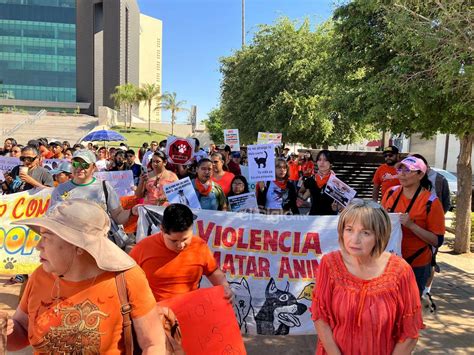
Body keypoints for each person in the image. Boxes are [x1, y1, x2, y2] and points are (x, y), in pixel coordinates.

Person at [6, 199, 165, 353]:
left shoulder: (126, 278)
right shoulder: (40, 276)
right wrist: (4, 330)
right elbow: (21, 328)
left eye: (46, 237)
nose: (38, 246)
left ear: (78, 246)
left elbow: (153, 344)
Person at [311, 199, 423, 355]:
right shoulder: (329, 264)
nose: (354, 239)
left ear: (380, 235)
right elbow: (320, 317)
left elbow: (410, 332)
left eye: (365, 232)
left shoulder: (401, 271)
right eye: (349, 229)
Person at [130, 203, 233, 302]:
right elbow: (127, 280)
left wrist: (225, 287)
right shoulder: (142, 249)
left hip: (192, 311)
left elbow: (213, 271)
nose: (180, 245)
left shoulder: (199, 246)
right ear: (162, 229)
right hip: (157, 314)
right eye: (173, 241)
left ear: (192, 228)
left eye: (185, 239)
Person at [381, 156, 445, 296]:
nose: (402, 174)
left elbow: (437, 241)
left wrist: (412, 225)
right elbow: (378, 221)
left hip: (416, 264)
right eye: (400, 169)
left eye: (408, 170)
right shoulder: (390, 192)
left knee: (410, 310)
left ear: (420, 175)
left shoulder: (431, 202)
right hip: (389, 261)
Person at [50, 150, 132, 225]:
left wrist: (132, 211)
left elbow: (118, 216)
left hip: (98, 239)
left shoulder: (105, 187)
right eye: (76, 164)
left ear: (93, 167)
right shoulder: (60, 190)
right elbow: (52, 219)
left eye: (85, 165)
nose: (79, 168)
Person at [299, 150, 338, 215]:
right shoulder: (310, 180)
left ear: (331, 163)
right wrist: (303, 199)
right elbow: (300, 193)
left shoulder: (336, 182)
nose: (322, 162)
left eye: (325, 160)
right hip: (313, 218)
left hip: (330, 219)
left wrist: (338, 207)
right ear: (317, 162)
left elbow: (344, 203)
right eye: (319, 160)